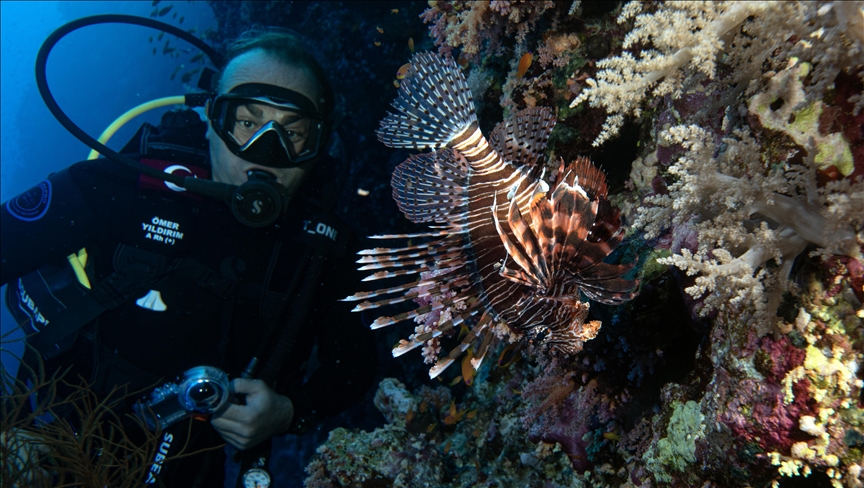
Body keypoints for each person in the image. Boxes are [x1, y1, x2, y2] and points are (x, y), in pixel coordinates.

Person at [0, 28, 376, 487]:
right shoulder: (119, 188)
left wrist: (289, 411)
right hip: (40, 448)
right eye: (246, 122)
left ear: (318, 146)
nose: (267, 151)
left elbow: (355, 366)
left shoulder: (324, 250)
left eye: (293, 132)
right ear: (211, 120)